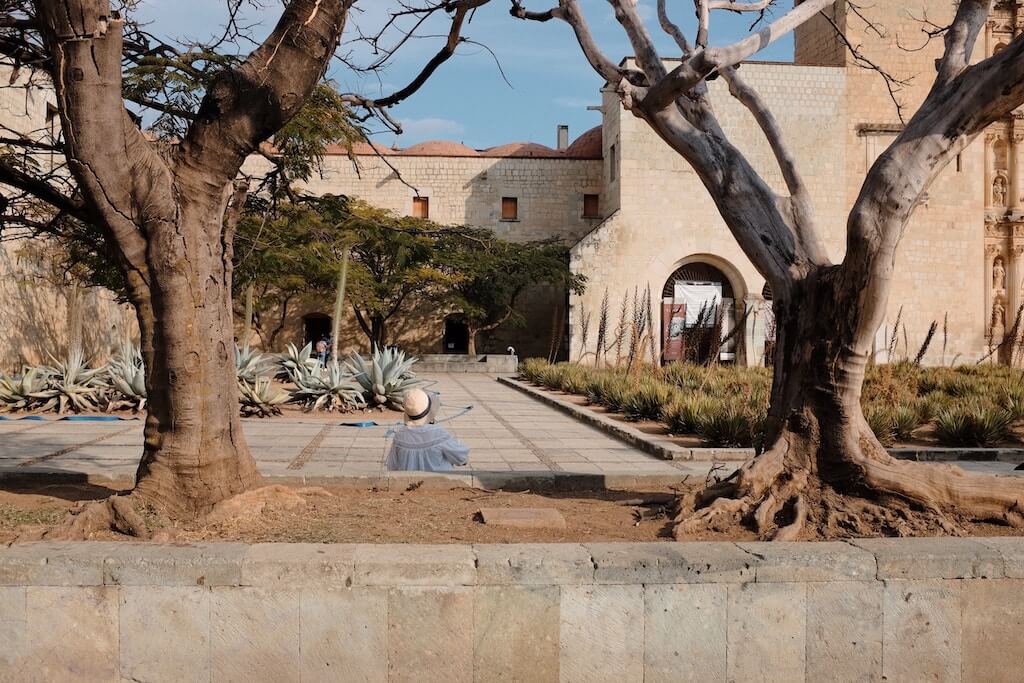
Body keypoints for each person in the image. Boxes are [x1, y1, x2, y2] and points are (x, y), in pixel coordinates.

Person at [386, 388, 470, 472]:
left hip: (410, 484)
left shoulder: (400, 436)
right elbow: (462, 459)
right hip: (439, 482)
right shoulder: (439, 434)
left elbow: (392, 466)